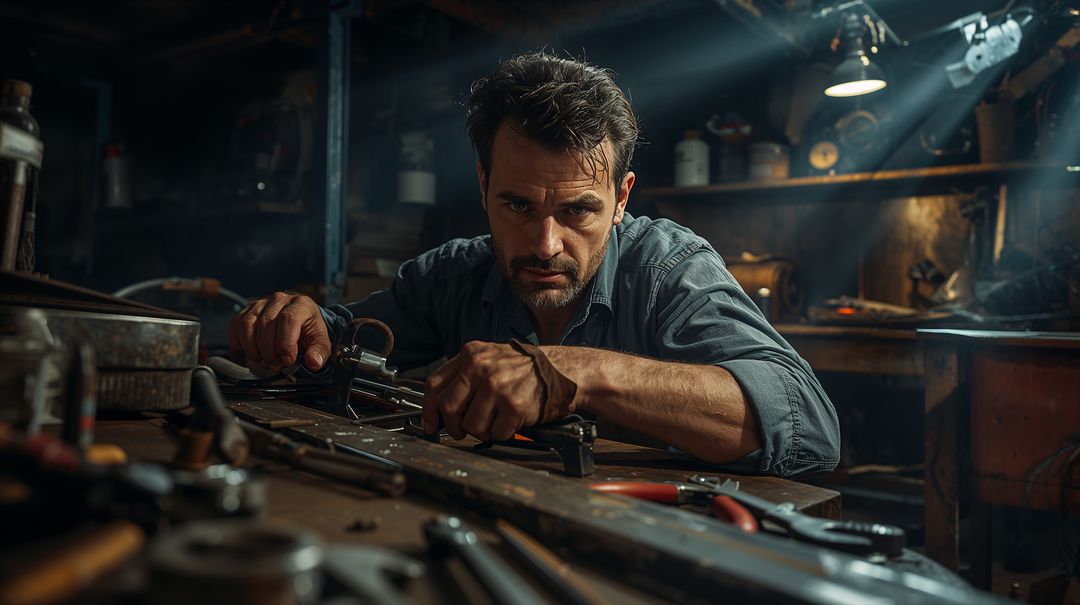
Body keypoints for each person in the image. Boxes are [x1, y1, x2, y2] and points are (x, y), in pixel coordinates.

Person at [229, 52, 839, 477]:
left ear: (622, 198)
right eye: (516, 205)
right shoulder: (453, 276)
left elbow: (810, 427)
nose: (544, 244)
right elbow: (337, 342)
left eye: (578, 211)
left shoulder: (670, 272)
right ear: (482, 184)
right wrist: (300, 325)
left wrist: (574, 373)